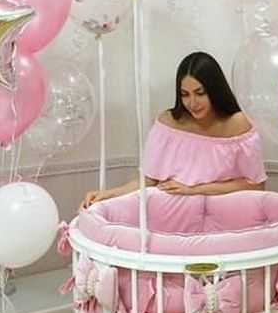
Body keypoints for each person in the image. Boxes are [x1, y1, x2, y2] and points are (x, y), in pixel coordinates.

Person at [82, 51, 266, 208]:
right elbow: (148, 180)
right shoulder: (168, 124)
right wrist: (108, 194)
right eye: (185, 94)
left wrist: (195, 189)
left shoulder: (240, 124)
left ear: (215, 90)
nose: (192, 103)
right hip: (174, 218)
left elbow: (256, 186)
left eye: (200, 93)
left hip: (225, 215)